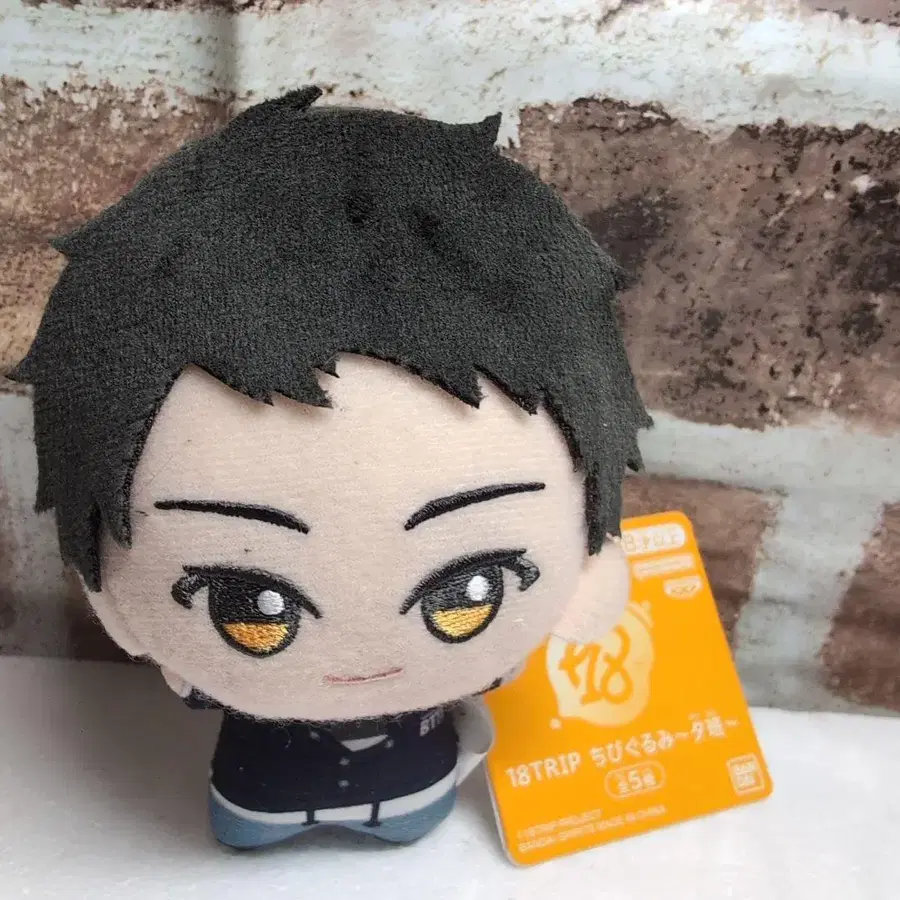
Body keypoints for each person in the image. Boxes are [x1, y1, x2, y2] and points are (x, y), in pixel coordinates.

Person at [13, 86, 651, 848]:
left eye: (468, 593)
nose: (361, 668)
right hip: (262, 789)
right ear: (109, 596)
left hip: (388, 782)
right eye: (248, 606)